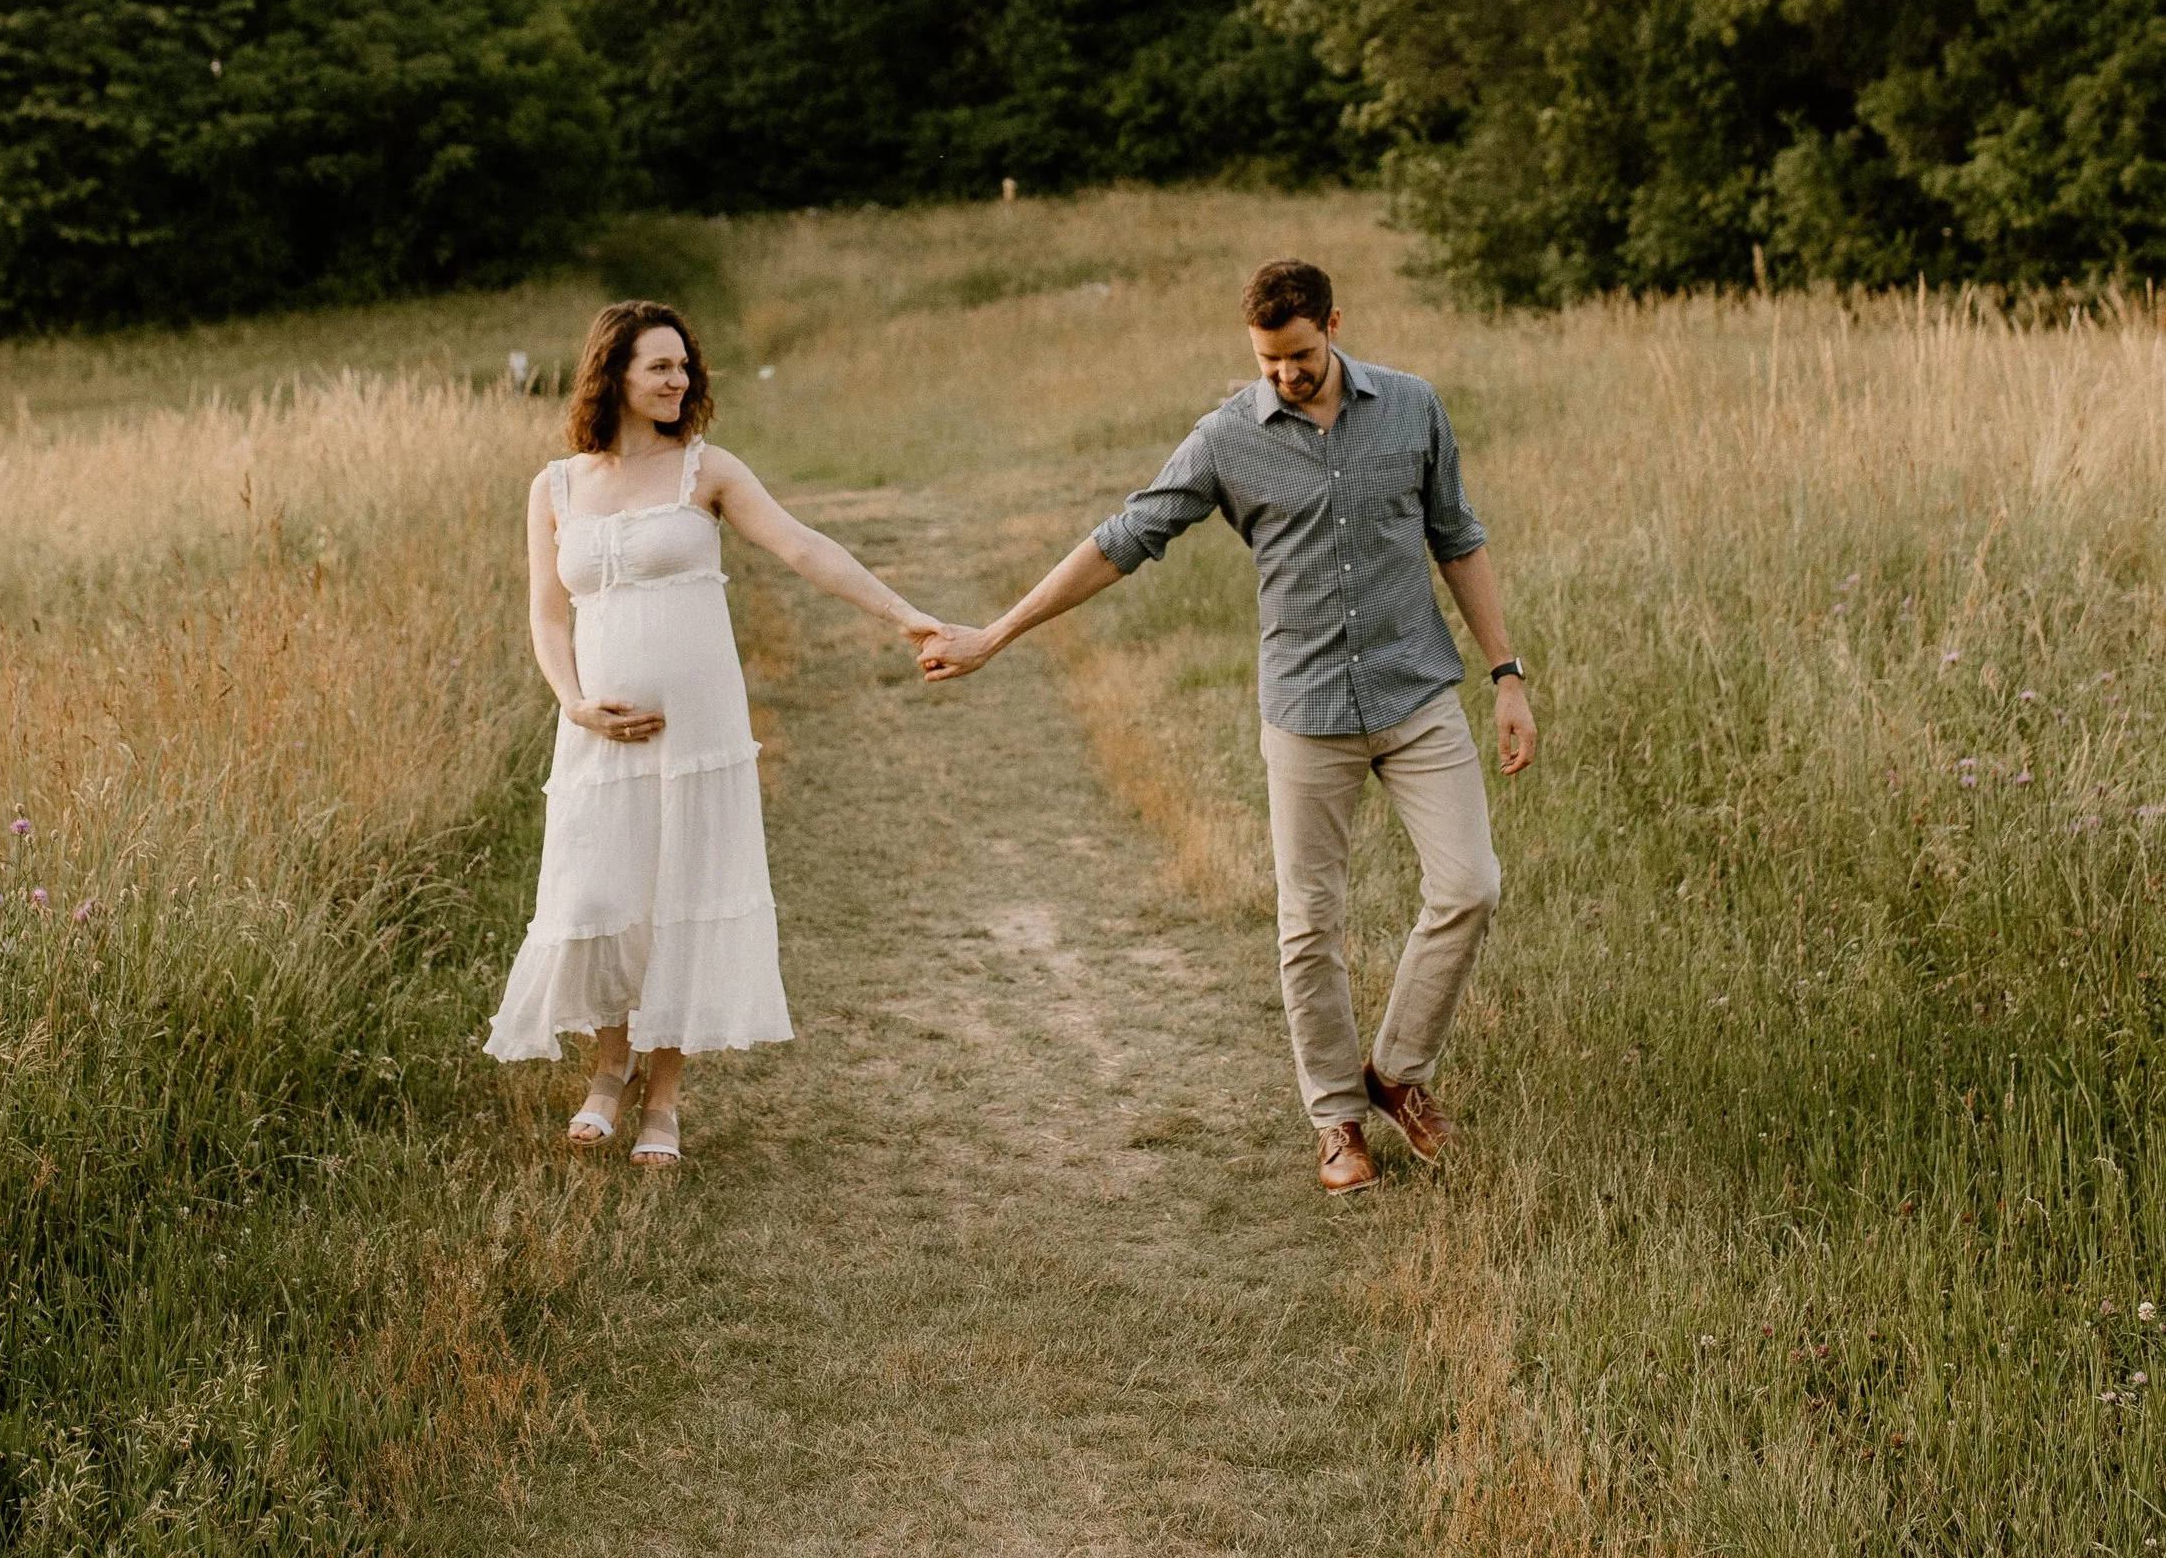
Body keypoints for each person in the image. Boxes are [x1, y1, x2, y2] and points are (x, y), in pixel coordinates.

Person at [919, 255, 1535, 1196]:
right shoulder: (1225, 439)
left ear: (1334, 322)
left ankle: (1399, 1073)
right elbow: (1122, 540)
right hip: (1307, 712)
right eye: (1266, 359)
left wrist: (1506, 676)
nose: (1283, 374)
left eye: (1297, 354)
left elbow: (1458, 537)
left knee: (1471, 887)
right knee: (1311, 924)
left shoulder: (1413, 408)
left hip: (1418, 697)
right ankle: (1337, 1120)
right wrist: (996, 635)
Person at [486, 299, 941, 1170]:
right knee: (599, 898)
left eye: (685, 367)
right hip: (594, 734)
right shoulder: (553, 487)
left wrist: (905, 616)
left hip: (697, 732)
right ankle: (607, 1071)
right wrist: (574, 701)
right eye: (660, 365)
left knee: (681, 897)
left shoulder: (707, 471)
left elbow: (806, 549)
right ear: (612, 370)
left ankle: (662, 1098)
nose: (678, 380)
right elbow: (547, 614)